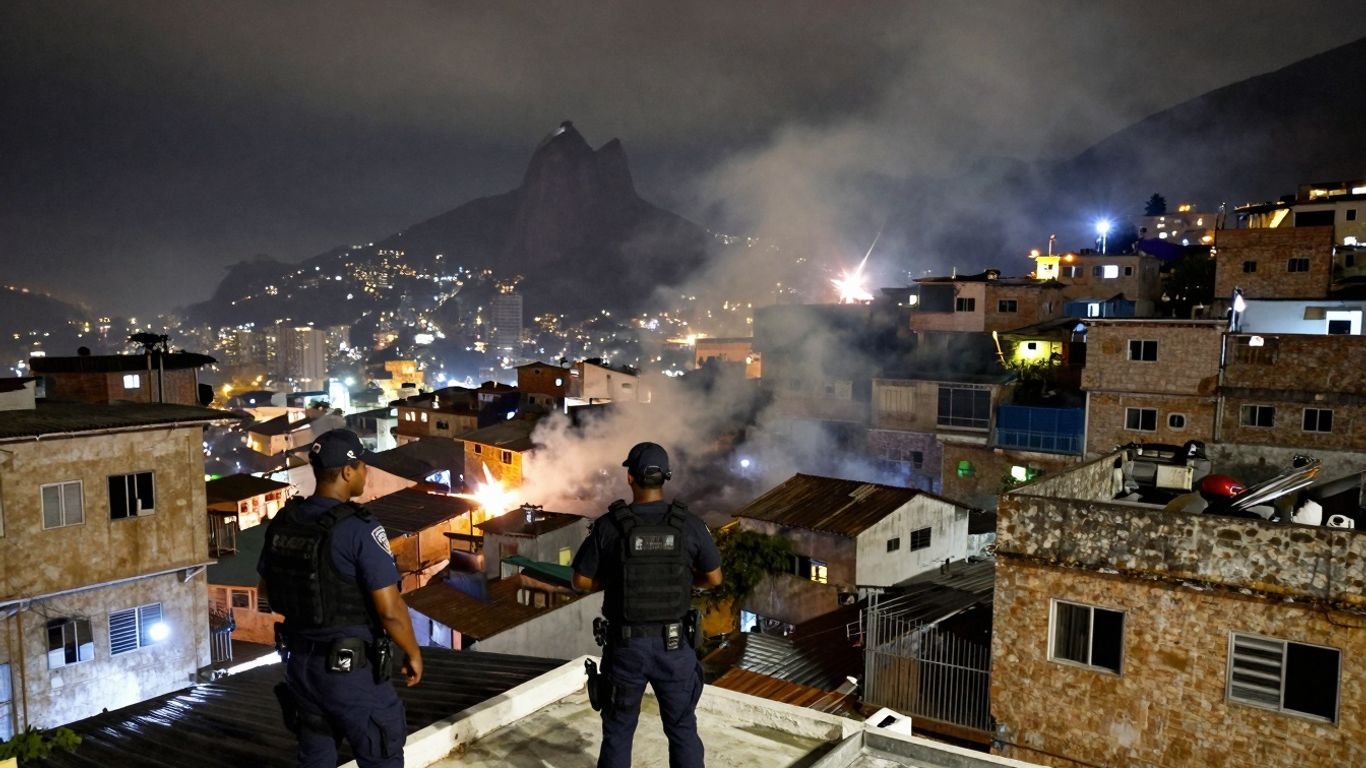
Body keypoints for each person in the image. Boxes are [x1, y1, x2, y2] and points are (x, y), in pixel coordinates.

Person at [258, 429, 422, 768]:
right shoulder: (358, 528)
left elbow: (267, 594)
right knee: (381, 754)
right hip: (350, 672)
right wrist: (412, 651)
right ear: (347, 472)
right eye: (362, 466)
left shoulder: (285, 521)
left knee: (316, 757)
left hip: (300, 666)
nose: (366, 473)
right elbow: (389, 610)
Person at [572, 442, 723, 768]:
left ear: (630, 477)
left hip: (626, 649)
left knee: (618, 731)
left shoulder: (609, 526)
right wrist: (685, 582)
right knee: (682, 729)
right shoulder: (690, 525)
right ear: (665, 477)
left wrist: (615, 580)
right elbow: (714, 578)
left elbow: (580, 581)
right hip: (674, 646)